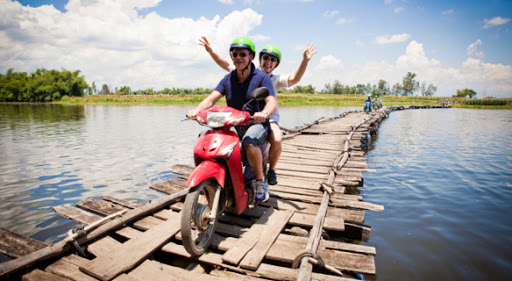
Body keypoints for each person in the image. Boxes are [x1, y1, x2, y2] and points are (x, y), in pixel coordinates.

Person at [199, 36, 317, 186]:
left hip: (267, 116)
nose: (268, 62)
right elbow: (226, 65)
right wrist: (211, 52)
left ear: (276, 64)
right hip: (241, 117)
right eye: (266, 58)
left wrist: (305, 61)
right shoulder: (243, 70)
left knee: (276, 139)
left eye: (272, 60)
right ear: (259, 59)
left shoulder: (274, 79)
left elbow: (294, 79)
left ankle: (271, 170)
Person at [187, 37, 277, 202]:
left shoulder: (262, 77)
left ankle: (260, 181)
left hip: (256, 123)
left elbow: (271, 101)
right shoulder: (228, 78)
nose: (238, 57)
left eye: (243, 54)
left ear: (251, 56)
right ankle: (214, 178)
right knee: (204, 137)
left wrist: (263, 113)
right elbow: (211, 99)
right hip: (233, 124)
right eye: (234, 54)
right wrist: (197, 110)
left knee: (250, 141)